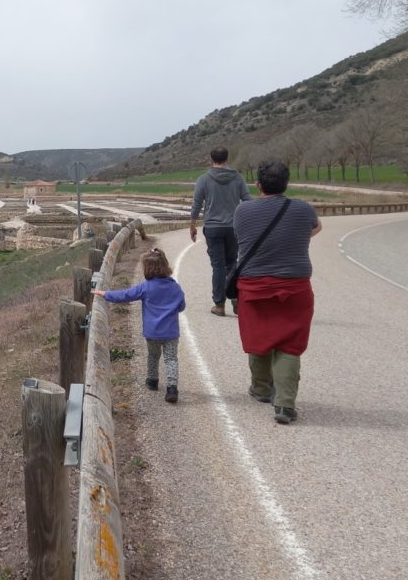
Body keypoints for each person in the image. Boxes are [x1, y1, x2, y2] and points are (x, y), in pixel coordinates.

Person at [233, 158, 322, 425]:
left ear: (257, 184)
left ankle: (261, 389)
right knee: (289, 345)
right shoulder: (303, 209)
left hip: (253, 286)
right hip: (294, 286)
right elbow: (316, 228)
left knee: (259, 338)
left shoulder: (243, 211)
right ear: (287, 183)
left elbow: (242, 238)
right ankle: (284, 404)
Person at [92, 248, 186, 402]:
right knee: (171, 359)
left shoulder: (146, 287)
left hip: (152, 332)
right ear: (165, 266)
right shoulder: (175, 287)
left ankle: (152, 380)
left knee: (154, 356)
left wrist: (105, 294)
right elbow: (181, 306)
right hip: (171, 332)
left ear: (147, 269)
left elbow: (125, 295)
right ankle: (172, 388)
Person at [189, 147, 252, 317]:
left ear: (211, 159)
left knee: (218, 266)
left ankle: (219, 305)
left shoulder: (204, 179)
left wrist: (193, 225)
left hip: (213, 227)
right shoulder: (238, 178)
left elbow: (196, 204)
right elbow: (247, 201)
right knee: (232, 263)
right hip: (234, 227)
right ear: (227, 158)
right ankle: (236, 300)